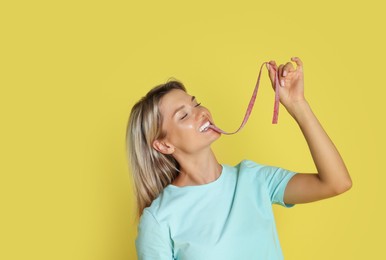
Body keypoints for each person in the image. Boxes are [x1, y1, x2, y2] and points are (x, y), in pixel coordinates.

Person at [126, 57, 352, 259]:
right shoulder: (158, 220)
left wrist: (297, 105)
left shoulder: (254, 179)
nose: (201, 112)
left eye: (196, 103)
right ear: (164, 145)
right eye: (184, 115)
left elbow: (337, 182)